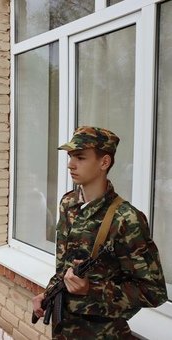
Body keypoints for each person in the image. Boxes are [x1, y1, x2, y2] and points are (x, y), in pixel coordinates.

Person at [32, 126, 167, 339]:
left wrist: (91, 289)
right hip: (63, 330)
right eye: (70, 157)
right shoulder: (69, 204)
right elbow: (65, 267)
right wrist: (48, 293)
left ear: (104, 162)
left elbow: (153, 292)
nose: (70, 164)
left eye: (80, 157)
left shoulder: (125, 218)